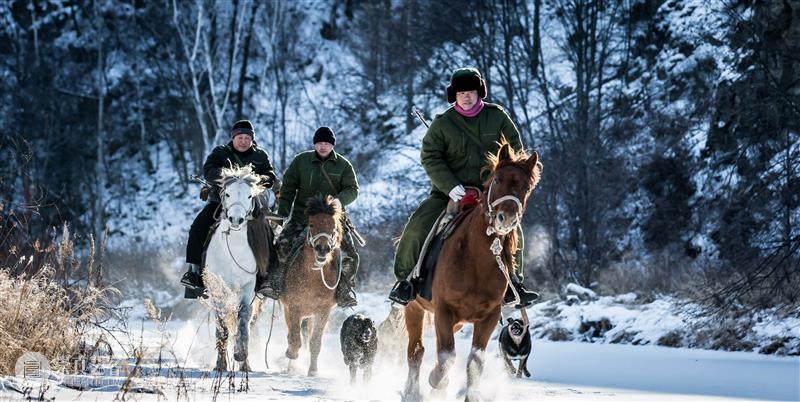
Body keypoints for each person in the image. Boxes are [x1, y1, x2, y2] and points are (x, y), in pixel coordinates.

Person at [388, 67, 539, 307]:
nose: (466, 96)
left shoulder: (498, 117)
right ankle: (406, 281)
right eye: (461, 92)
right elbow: (430, 157)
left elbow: (515, 157)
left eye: (471, 91)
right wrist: (450, 186)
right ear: (454, 95)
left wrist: (498, 185)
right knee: (417, 227)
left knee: (513, 229)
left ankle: (513, 284)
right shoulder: (442, 123)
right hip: (448, 194)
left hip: (492, 195)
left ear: (479, 92)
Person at [258, 127, 361, 308]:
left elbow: (353, 189)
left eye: (326, 144)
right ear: (315, 144)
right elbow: (288, 187)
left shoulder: (343, 165)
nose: (322, 147)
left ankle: (345, 288)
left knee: (350, 254)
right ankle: (274, 283)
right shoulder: (301, 161)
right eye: (319, 143)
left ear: (332, 145)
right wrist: (282, 213)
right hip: (301, 218)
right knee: (281, 244)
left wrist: (339, 201)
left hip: (333, 222)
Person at [181, 119, 277, 298]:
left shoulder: (260, 156)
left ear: (252, 140)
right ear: (233, 138)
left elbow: (270, 176)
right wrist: (230, 176)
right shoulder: (220, 152)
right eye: (240, 137)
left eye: (247, 138)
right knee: (197, 228)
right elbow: (208, 170)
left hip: (250, 204)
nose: (243, 141)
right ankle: (194, 273)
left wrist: (252, 178)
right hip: (220, 202)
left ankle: (268, 277)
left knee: (268, 232)